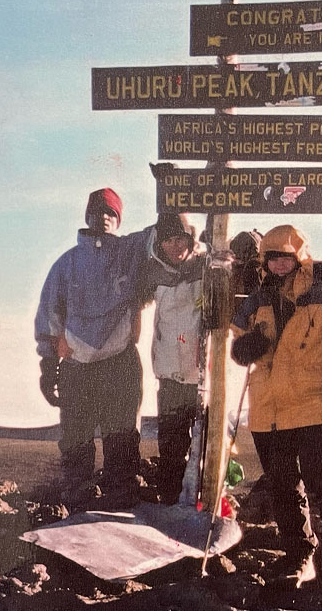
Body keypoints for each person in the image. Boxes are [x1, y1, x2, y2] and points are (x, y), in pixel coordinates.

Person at [230, 224, 322, 591]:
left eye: (286, 257)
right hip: (268, 410)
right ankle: (299, 556)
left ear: (300, 258)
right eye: (273, 258)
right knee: (282, 487)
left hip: (313, 405)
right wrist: (244, 348)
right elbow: (237, 336)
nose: (279, 265)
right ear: (265, 261)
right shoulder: (256, 298)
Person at [35, 188, 152, 511]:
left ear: (118, 219)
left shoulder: (130, 250)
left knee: (122, 437)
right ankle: (78, 502)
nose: (103, 218)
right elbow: (50, 315)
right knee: (76, 438)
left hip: (120, 362)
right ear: (86, 216)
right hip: (77, 366)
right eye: (97, 212)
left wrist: (172, 199)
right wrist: (48, 366)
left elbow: (161, 233)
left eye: (110, 213)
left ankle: (121, 502)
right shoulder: (66, 264)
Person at [140, 213, 206, 505]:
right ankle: (169, 502)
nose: (175, 246)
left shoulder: (207, 267)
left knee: (204, 447)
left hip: (202, 376)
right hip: (169, 375)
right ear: (160, 242)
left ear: (191, 239)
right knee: (171, 446)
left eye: (181, 238)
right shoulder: (155, 274)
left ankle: (201, 504)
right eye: (168, 239)